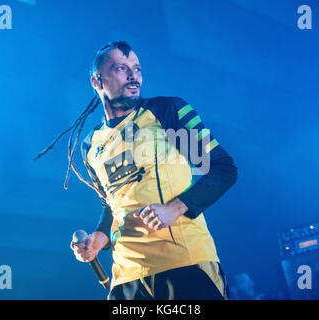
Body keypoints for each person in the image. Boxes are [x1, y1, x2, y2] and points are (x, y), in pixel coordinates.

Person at [65, 41, 237, 300]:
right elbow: (112, 205)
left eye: (137, 68)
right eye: (121, 68)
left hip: (183, 263)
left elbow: (222, 169)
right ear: (97, 82)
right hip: (126, 280)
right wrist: (99, 238)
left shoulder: (167, 111)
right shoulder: (91, 145)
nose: (133, 75)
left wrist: (175, 208)